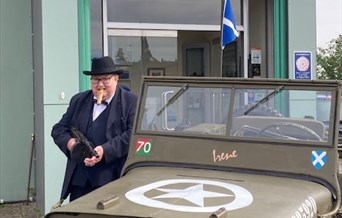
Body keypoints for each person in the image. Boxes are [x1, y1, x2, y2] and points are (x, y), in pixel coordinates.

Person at [51, 56, 137, 202]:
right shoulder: (78, 100)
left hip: (111, 178)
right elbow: (58, 129)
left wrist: (104, 151)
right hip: (79, 180)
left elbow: (132, 134)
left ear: (116, 79)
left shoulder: (130, 101)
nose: (100, 85)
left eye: (105, 79)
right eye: (96, 80)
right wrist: (72, 144)